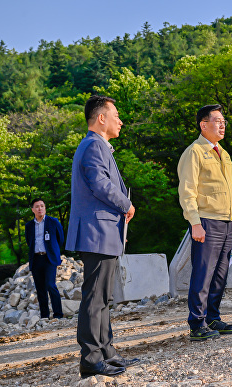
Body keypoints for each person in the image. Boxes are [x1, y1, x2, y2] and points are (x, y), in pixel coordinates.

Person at [66, 95, 138, 378]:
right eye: (116, 114)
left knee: (103, 296)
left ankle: (107, 352)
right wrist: (126, 204)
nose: (120, 120)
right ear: (101, 118)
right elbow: (99, 183)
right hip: (97, 231)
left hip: (104, 231)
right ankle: (91, 359)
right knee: (95, 298)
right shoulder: (94, 145)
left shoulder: (98, 146)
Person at [178, 104, 232, 342]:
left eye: (224, 121)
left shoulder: (223, 153)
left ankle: (213, 317)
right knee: (203, 274)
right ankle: (197, 323)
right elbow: (187, 191)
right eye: (217, 121)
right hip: (206, 220)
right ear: (203, 125)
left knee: (220, 274)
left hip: (225, 222)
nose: (222, 125)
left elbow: (231, 191)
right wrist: (195, 222)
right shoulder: (194, 152)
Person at [24, 198, 64, 320]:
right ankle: (44, 316)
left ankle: (58, 314)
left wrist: (53, 251)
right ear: (33, 210)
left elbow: (60, 239)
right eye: (37, 206)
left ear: (45, 208)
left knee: (50, 285)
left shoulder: (53, 221)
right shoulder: (29, 226)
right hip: (36, 259)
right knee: (40, 288)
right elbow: (29, 241)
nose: (40, 208)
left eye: (42, 206)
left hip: (49, 258)